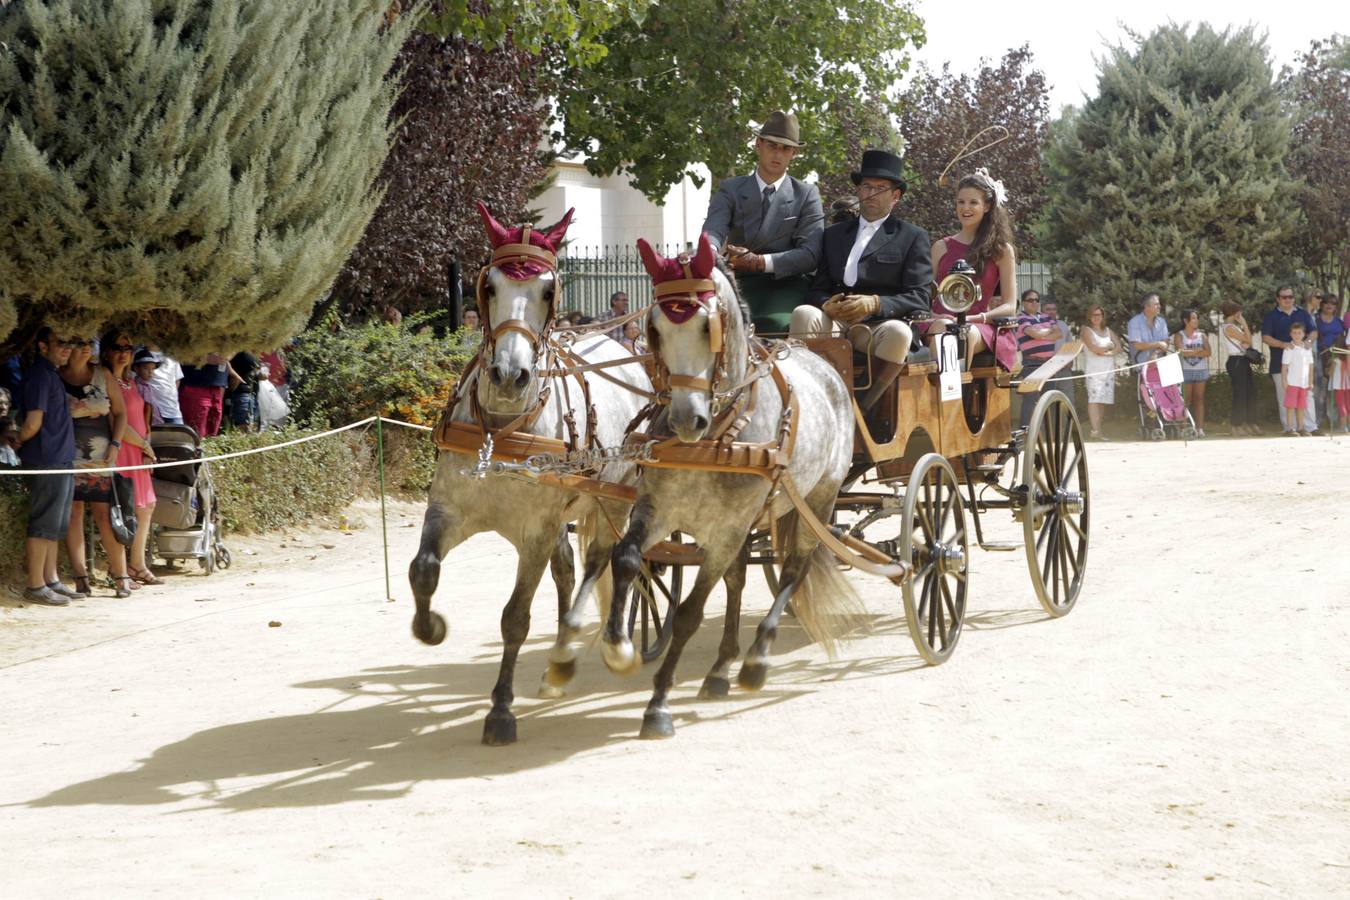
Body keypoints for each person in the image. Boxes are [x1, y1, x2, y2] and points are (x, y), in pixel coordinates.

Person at [789, 149, 931, 429]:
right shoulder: (833, 234)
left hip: (879, 327)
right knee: (805, 313)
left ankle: (862, 410)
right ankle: (804, 403)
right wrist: (825, 304)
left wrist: (875, 303)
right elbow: (816, 288)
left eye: (880, 188)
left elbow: (920, 297)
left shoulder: (911, 237)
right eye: (866, 186)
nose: (871, 194)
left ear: (896, 196)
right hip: (838, 321)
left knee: (900, 333)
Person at [703, 110, 824, 334]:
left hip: (786, 284)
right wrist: (708, 251)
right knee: (707, 326)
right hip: (737, 282)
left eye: (786, 148)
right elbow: (714, 228)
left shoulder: (807, 194)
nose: (778, 154)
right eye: (772, 145)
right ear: (758, 144)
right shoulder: (731, 188)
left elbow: (810, 254)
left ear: (794, 153)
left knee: (774, 325)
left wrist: (760, 262)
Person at [62, 333, 135, 598]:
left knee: (106, 514)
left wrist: (116, 445)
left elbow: (120, 413)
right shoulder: (56, 376)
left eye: (87, 344)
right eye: (78, 344)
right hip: (67, 456)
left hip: (102, 454)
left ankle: (121, 576)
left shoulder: (102, 374)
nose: (84, 349)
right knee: (73, 514)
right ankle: (81, 578)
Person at [13, 328, 79, 606]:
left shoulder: (51, 374)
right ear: (42, 346)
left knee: (55, 525)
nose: (67, 348)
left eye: (69, 343)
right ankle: (36, 585)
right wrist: (16, 442)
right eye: (60, 342)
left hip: (60, 459)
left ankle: (51, 579)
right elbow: (32, 423)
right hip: (46, 460)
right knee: (43, 524)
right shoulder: (40, 375)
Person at [928, 169, 1018, 369]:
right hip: (938, 322)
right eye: (961, 202)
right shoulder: (940, 247)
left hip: (977, 325)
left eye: (973, 202)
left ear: (986, 206)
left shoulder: (1002, 251)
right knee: (945, 328)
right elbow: (925, 295)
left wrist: (973, 318)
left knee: (961, 332)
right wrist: (935, 316)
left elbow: (1010, 305)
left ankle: (952, 396)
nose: (965, 208)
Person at [104, 333, 161, 585]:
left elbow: (143, 417)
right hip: (123, 450)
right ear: (106, 351)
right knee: (123, 508)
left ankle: (138, 564)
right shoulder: (105, 380)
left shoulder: (132, 382)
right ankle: (118, 567)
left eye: (128, 347)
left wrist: (146, 448)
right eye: (118, 347)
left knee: (145, 507)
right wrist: (144, 445)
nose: (123, 352)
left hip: (139, 451)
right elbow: (116, 422)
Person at [1261, 285, 1318, 436]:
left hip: (1303, 367)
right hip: (1280, 363)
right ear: (1277, 299)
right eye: (1284, 297)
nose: (1288, 300)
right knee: (1285, 398)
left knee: (1307, 396)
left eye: (1290, 297)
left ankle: (1309, 427)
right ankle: (1289, 428)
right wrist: (1283, 344)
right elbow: (1265, 337)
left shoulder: (1303, 313)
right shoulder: (1271, 316)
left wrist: (1309, 342)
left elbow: (1313, 331)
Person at [1015, 290, 1060, 428]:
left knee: (1049, 400)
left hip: (1049, 364)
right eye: (1030, 300)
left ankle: (1047, 433)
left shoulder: (1047, 316)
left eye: (1036, 300)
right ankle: (1025, 432)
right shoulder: (1020, 318)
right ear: (1023, 302)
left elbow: (1059, 333)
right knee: (1030, 399)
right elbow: (1033, 333)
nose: (1034, 302)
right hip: (1032, 363)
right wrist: (1046, 333)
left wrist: (1040, 335)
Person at [1219, 300, 1260, 436]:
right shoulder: (1228, 327)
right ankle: (1236, 425)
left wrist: (1243, 328)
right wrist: (1244, 323)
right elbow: (1248, 341)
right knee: (1240, 394)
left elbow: (1248, 342)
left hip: (1242, 360)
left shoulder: (1233, 327)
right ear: (1235, 312)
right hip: (1236, 360)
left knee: (1250, 392)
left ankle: (1250, 422)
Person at [1081, 305, 1118, 440]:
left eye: (1099, 315)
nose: (1097, 317)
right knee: (1094, 399)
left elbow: (1118, 346)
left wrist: (1109, 353)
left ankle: (1098, 430)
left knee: (1102, 401)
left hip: (1108, 370)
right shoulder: (1086, 330)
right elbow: (1095, 348)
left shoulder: (1108, 331)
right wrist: (1108, 346)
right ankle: (1095, 430)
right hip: (1093, 370)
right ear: (1089, 317)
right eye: (1094, 315)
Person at [1174, 310, 1210, 436]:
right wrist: (1197, 350)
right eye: (1193, 318)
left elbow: (1208, 352)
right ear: (1185, 321)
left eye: (1196, 318)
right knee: (1186, 400)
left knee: (1199, 399)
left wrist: (1192, 352)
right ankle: (1184, 427)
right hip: (1186, 371)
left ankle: (1199, 428)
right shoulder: (1179, 335)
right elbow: (1181, 352)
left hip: (1201, 370)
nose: (1196, 321)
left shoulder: (1202, 335)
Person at [1314, 295, 1345, 431]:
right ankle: (1318, 421)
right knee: (1319, 389)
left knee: (1336, 390)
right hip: (1320, 356)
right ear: (1321, 304)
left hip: (1337, 359)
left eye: (1333, 303)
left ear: (1336, 306)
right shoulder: (1316, 320)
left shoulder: (1339, 321)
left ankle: (1337, 421)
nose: (1329, 305)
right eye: (1326, 302)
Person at [179, 354, 230, 437]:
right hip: (196, 385)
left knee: (212, 435)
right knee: (197, 434)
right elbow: (177, 357)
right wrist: (205, 359)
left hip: (217, 388)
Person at [1282, 320, 1315, 437]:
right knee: (1291, 406)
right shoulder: (1288, 349)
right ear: (1291, 334)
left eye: (1299, 333)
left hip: (1304, 383)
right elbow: (1284, 366)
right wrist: (1284, 381)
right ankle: (1290, 428)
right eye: (1294, 333)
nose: (1297, 335)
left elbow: (1310, 366)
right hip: (1292, 383)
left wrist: (1311, 382)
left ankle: (1301, 428)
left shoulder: (1307, 349)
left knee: (1301, 406)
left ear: (1304, 334)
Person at [141, 344, 184, 425]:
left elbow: (177, 380)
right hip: (148, 412)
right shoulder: (137, 353)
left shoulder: (171, 354)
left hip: (172, 411)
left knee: (178, 436)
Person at [227, 350, 260, 433]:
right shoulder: (236, 350)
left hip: (252, 393)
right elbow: (225, 361)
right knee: (244, 428)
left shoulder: (252, 351)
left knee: (251, 427)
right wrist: (236, 378)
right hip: (241, 392)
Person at [1328, 321, 1350, 434]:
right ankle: (1348, 426)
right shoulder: (1348, 360)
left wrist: (1330, 364)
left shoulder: (1336, 360)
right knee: (1348, 404)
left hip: (1338, 386)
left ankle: (1343, 426)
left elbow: (1330, 372)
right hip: (1347, 386)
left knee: (1341, 405)